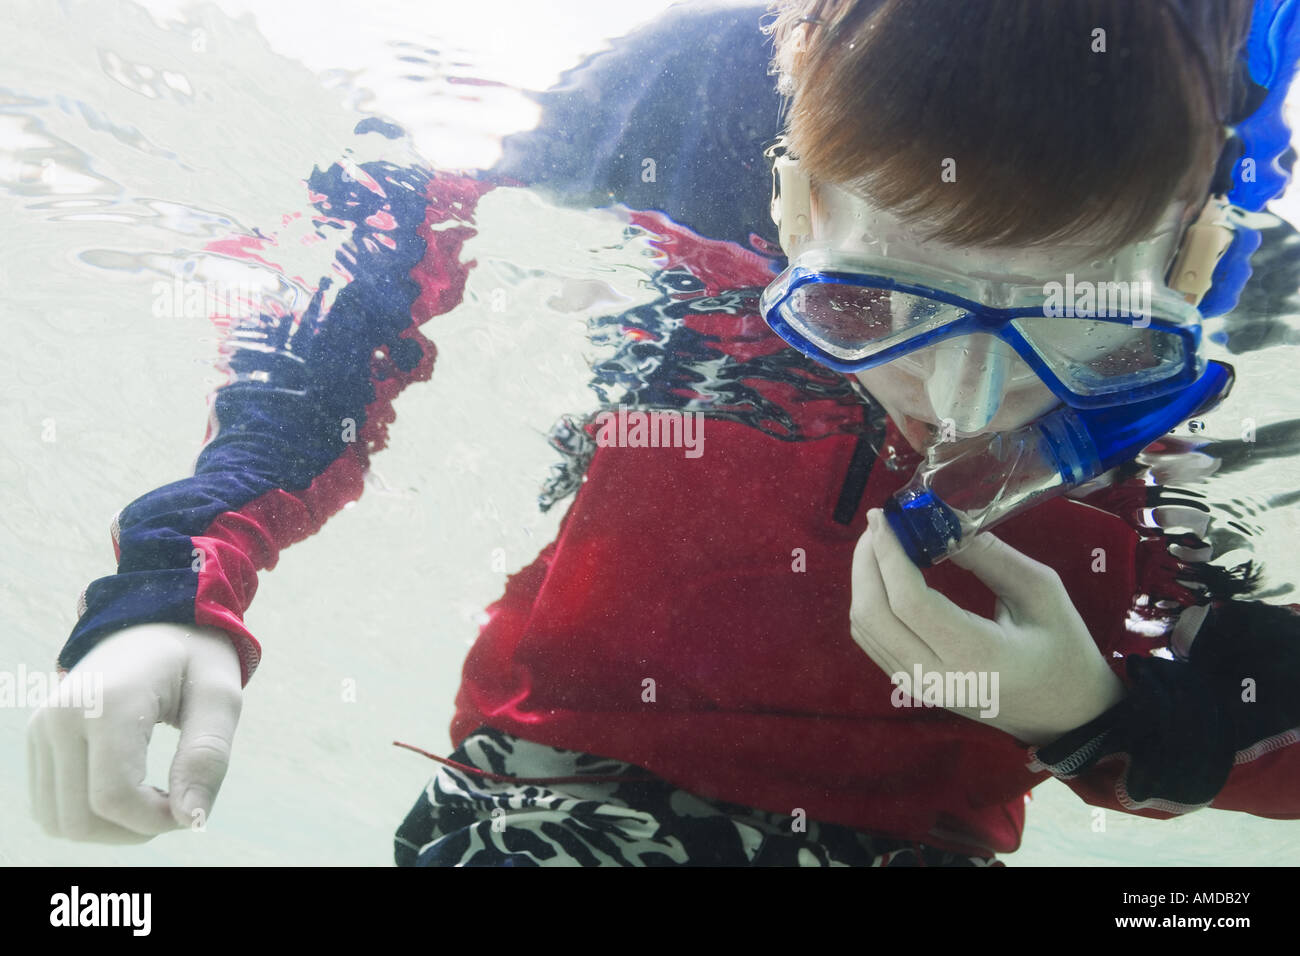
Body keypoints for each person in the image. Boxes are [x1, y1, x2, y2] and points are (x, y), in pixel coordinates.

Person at [27, 0, 1300, 866]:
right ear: (789, 204)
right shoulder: (693, 98)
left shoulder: (1260, 276)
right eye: (870, 302)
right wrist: (179, 574)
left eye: (1087, 340)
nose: (958, 412)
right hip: (543, 799)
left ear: (1196, 260)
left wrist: (1108, 714)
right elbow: (378, 224)